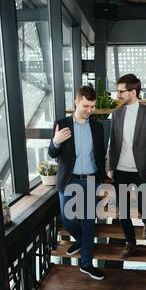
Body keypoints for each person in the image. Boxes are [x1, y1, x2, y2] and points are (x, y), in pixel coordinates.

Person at [48, 86, 105, 280]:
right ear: (76, 101)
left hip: (90, 180)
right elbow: (52, 153)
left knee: (89, 223)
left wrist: (102, 180)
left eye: (92, 106)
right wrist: (56, 141)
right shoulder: (61, 124)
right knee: (68, 218)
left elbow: (100, 155)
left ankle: (86, 264)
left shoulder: (97, 127)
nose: (89, 110)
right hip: (69, 180)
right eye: (86, 106)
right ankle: (82, 241)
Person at [107, 74, 146, 257]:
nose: (118, 95)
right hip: (120, 170)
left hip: (142, 171)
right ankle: (130, 242)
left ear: (133, 92)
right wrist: (110, 167)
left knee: (142, 205)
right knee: (123, 211)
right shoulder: (116, 113)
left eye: (121, 91)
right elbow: (113, 143)